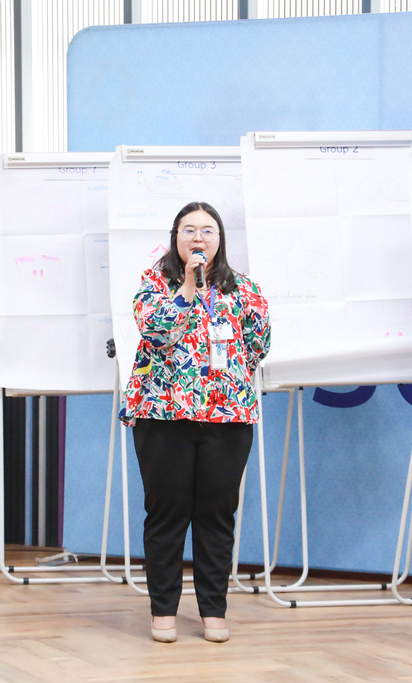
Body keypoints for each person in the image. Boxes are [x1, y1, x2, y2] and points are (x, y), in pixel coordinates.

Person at [122, 201, 270, 643]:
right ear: (176, 238)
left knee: (217, 515)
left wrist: (222, 382)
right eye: (189, 230)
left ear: (220, 239)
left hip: (228, 416)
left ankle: (213, 611)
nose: (198, 237)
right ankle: (163, 611)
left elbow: (258, 344)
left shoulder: (244, 288)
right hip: (163, 415)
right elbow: (156, 332)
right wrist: (188, 287)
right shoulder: (154, 283)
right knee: (166, 513)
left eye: (207, 230)